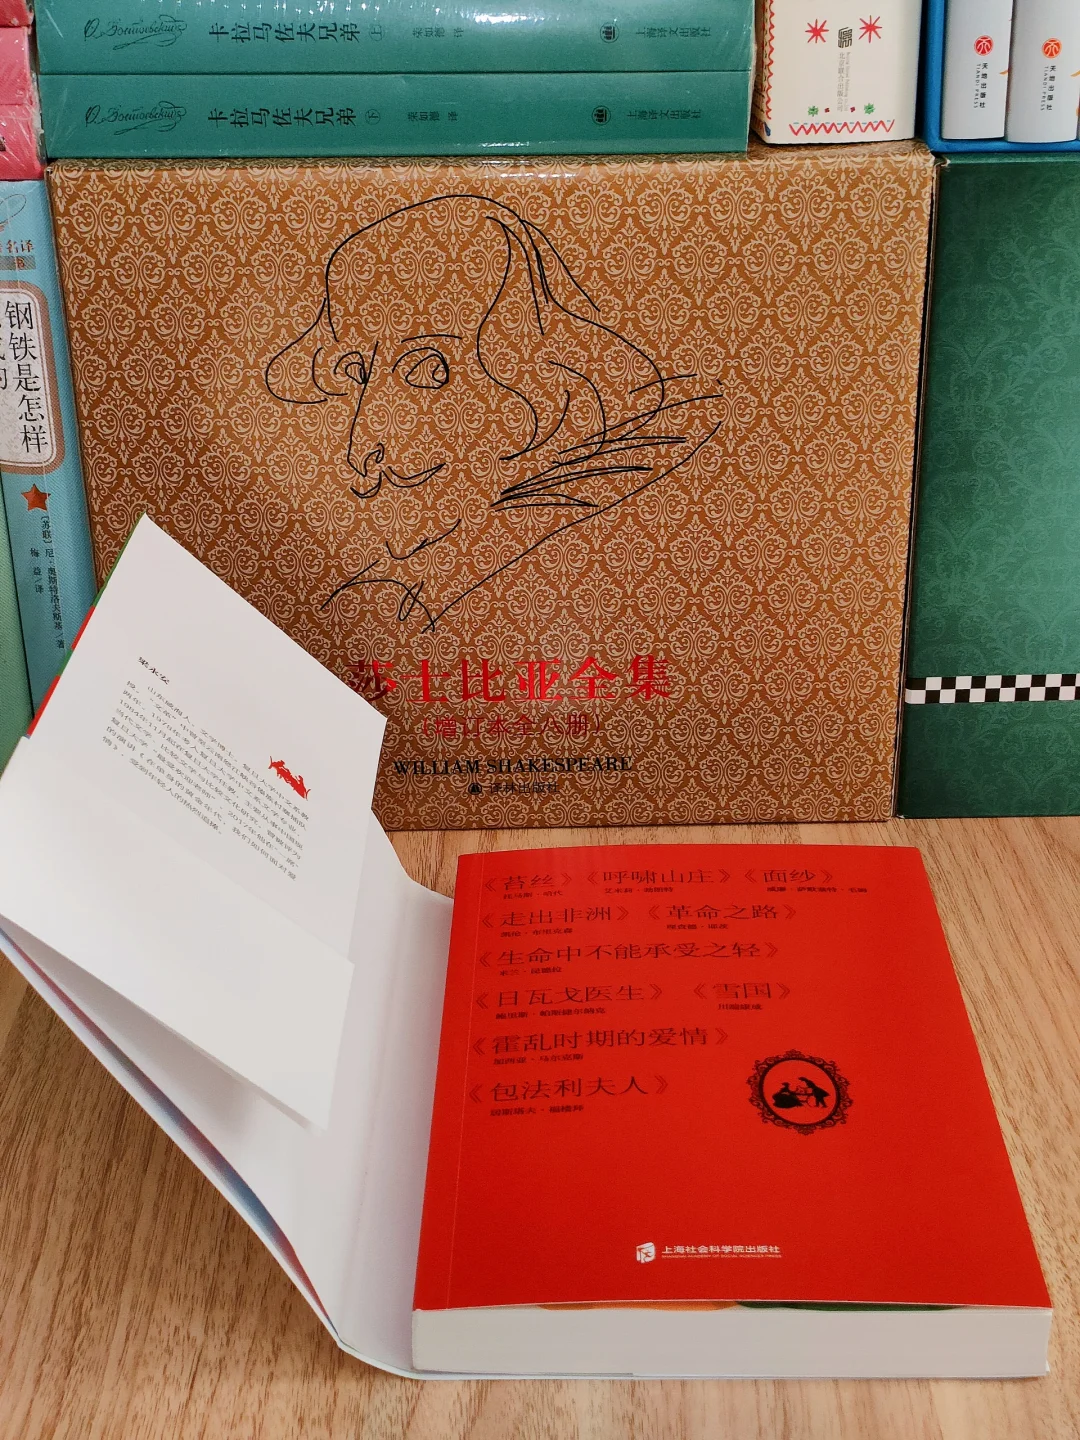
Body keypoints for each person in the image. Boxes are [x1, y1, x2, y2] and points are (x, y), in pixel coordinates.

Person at [265, 194, 722, 632]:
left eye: (425, 370)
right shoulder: (401, 581)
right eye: (361, 374)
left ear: (525, 368)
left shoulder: (590, 516)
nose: (361, 448)